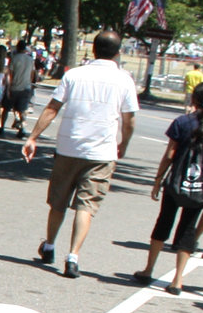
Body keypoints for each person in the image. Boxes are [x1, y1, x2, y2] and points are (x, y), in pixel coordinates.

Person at [22, 28, 140, 280]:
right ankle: (73, 256)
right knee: (86, 206)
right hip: (102, 152)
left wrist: (33, 137)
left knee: (58, 201)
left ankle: (50, 245)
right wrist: (123, 144)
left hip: (68, 147)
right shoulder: (124, 80)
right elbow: (129, 121)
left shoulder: (74, 75)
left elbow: (52, 108)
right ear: (118, 53)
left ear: (93, 49)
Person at [134, 83, 203, 294]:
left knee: (164, 222)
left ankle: (149, 269)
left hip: (176, 182)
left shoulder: (182, 122)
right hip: (201, 186)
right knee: (188, 229)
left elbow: (170, 155)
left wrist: (158, 180)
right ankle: (177, 280)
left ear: (194, 100)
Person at [0, 35, 38, 135]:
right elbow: (32, 73)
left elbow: (9, 73)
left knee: (6, 108)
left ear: (17, 48)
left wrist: (7, 87)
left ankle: (2, 127)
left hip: (14, 86)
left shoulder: (14, 58)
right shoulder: (30, 60)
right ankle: (22, 127)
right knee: (22, 109)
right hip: (26, 87)